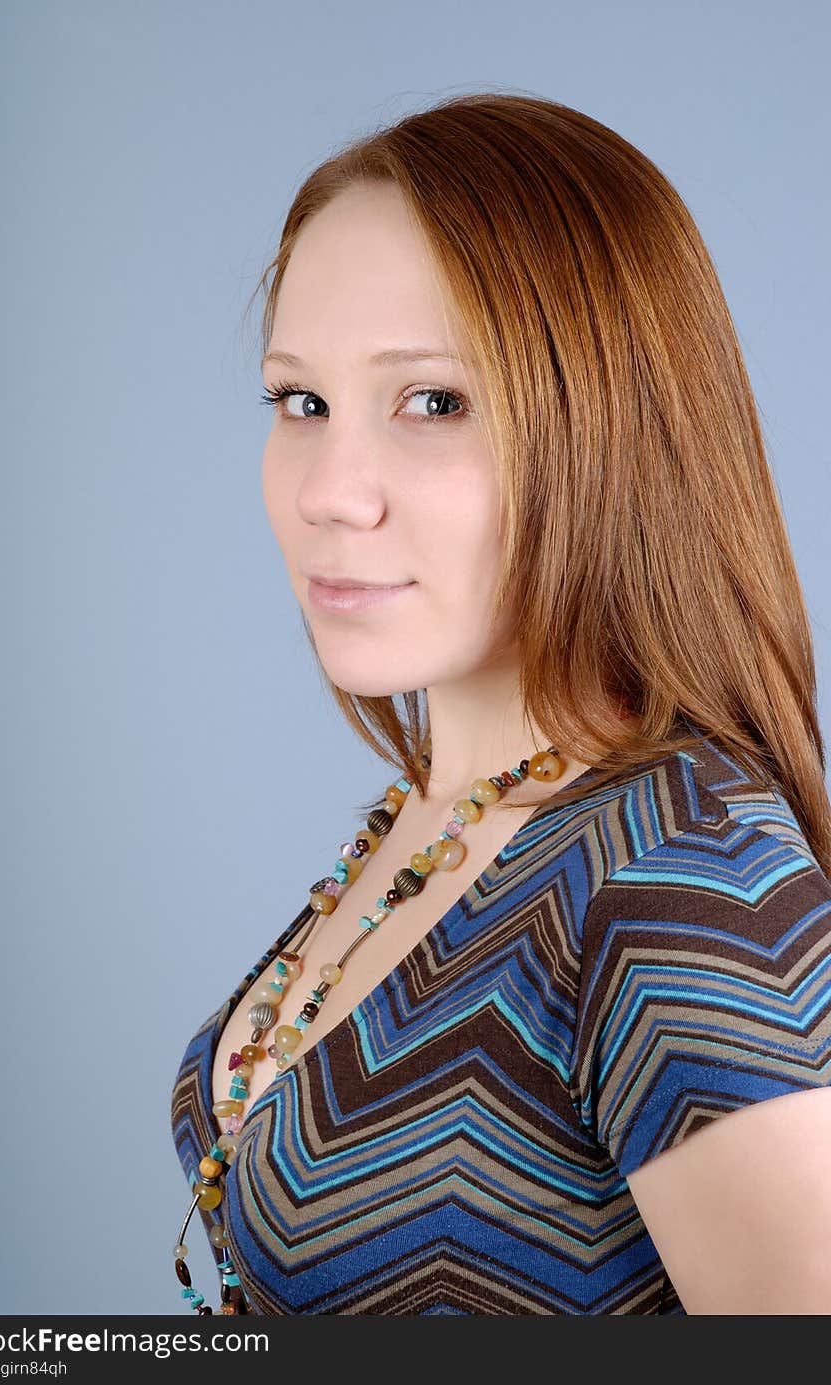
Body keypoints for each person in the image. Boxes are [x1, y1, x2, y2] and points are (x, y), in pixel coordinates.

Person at [170, 93, 831, 1315]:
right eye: (298, 401)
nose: (330, 491)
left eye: (432, 401)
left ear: (609, 428)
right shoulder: (436, 820)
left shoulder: (681, 870)